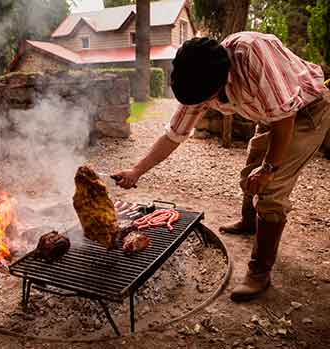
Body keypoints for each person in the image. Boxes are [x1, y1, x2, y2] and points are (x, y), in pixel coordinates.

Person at [113, 32, 330, 302]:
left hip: (306, 111)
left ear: (222, 80)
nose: (203, 106)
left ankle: (259, 271)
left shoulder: (253, 54)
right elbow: (174, 135)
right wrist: (136, 170)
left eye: (206, 99)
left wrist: (269, 169)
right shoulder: (198, 70)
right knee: (249, 172)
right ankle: (250, 223)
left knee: (271, 187)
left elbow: (285, 119)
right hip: (271, 112)